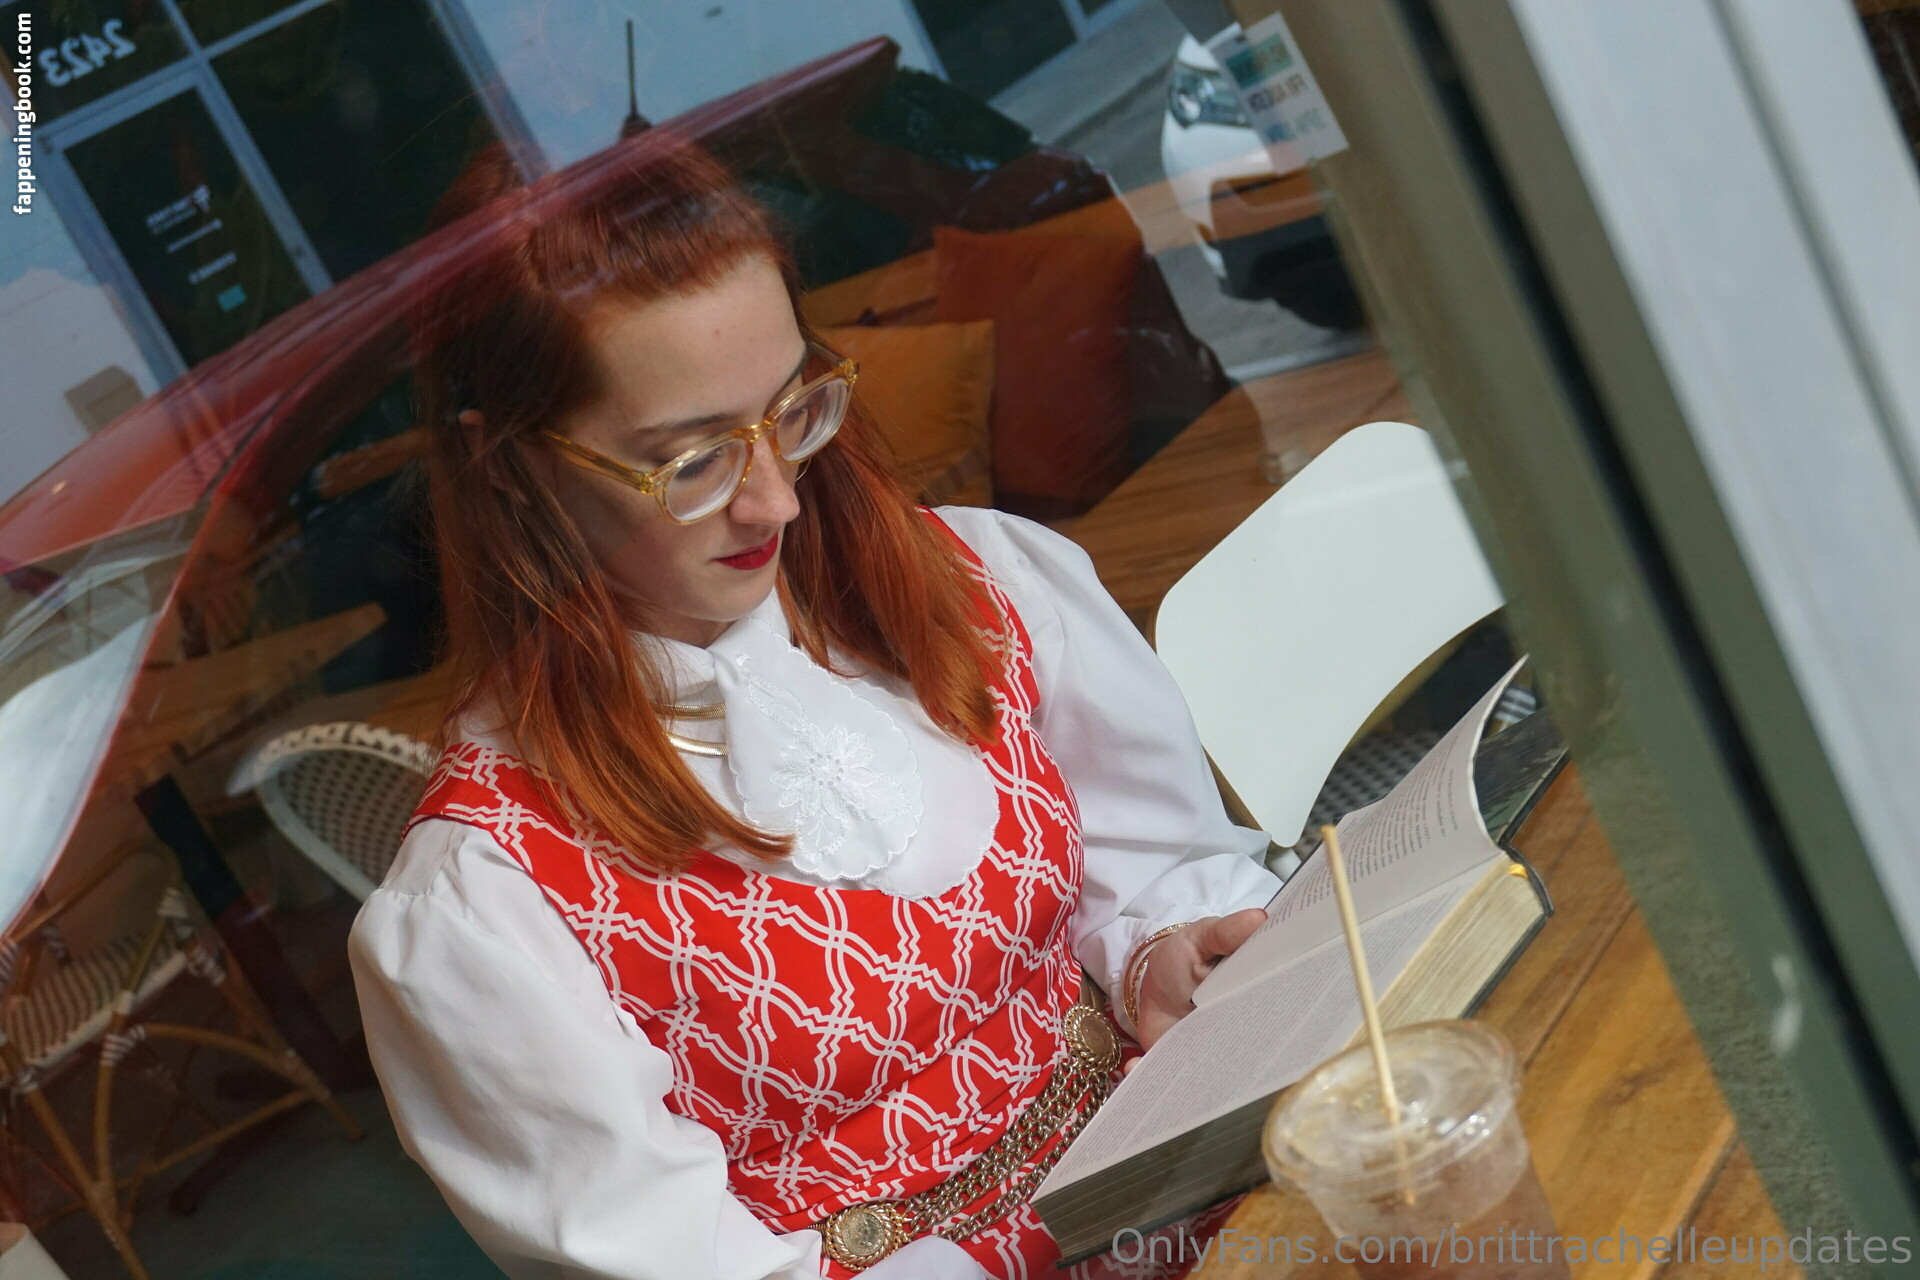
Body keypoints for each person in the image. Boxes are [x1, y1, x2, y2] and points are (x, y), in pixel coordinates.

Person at [348, 139, 1281, 1280]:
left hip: (1203, 1184)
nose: (776, 500)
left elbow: (1138, 869)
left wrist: (1158, 954)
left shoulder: (962, 583)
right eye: (692, 462)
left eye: (793, 409)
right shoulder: (490, 899)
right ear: (507, 468)